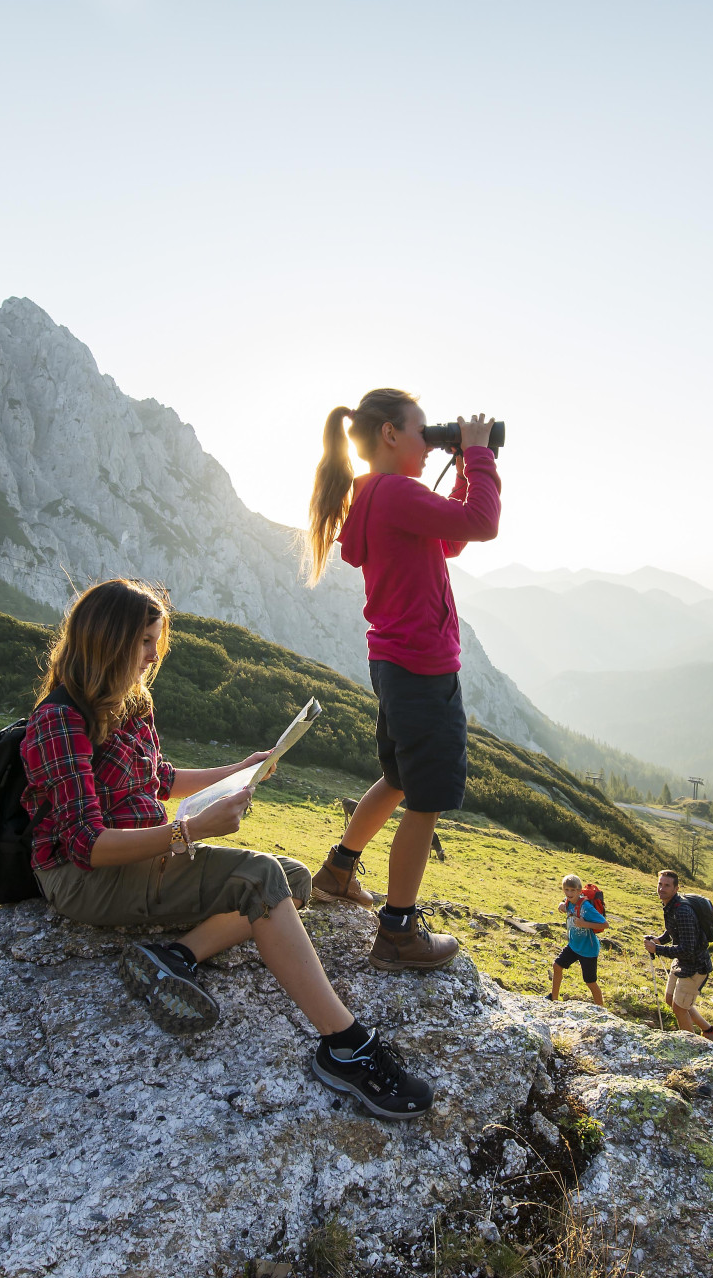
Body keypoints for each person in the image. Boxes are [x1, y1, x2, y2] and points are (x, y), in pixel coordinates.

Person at [21, 577, 433, 1120]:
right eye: (144, 642)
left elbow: (157, 779)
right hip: (86, 879)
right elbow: (84, 845)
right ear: (108, 641)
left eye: (155, 642)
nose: (152, 656)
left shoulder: (130, 702)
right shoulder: (58, 720)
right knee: (262, 879)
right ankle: (346, 1046)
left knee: (294, 880)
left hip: (146, 857)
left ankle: (175, 956)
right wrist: (188, 832)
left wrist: (239, 771)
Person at [303, 389, 501, 972]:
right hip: (422, 668)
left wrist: (463, 464)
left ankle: (338, 872)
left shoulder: (373, 495)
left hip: (394, 664)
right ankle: (397, 933)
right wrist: (479, 455)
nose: (427, 441)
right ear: (390, 434)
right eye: (422, 431)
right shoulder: (393, 492)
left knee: (395, 776)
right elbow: (483, 524)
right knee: (426, 800)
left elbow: (452, 537)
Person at [644, 869, 713, 1046]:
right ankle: (711, 1032)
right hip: (682, 963)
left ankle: (691, 1047)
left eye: (667, 885)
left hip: (695, 967)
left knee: (679, 1008)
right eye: (660, 884)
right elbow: (673, 930)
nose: (662, 888)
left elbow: (687, 950)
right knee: (670, 999)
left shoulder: (682, 911)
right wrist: (660, 939)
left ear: (676, 888)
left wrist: (657, 948)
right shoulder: (672, 905)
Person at [548, 874, 607, 1006]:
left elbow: (604, 924)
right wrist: (561, 904)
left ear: (579, 891)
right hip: (574, 945)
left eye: (572, 890)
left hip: (588, 950)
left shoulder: (586, 907)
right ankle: (554, 999)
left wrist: (584, 924)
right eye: (567, 890)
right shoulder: (569, 901)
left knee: (590, 982)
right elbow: (564, 902)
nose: (569, 893)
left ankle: (602, 1009)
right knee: (557, 966)